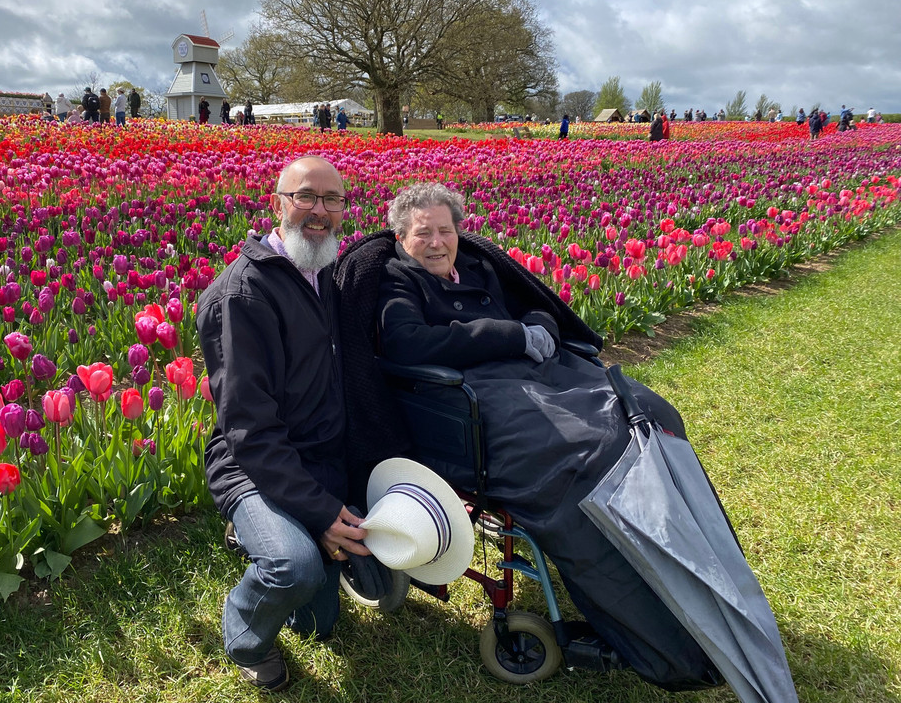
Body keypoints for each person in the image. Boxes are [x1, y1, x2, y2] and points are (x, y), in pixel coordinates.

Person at [334, 183, 721, 692]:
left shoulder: (476, 266)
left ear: (458, 232)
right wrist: (514, 336)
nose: (436, 242)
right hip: (474, 397)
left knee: (649, 414)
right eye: (422, 233)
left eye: (444, 230)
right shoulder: (396, 282)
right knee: (589, 454)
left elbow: (529, 304)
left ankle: (706, 587)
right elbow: (407, 342)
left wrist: (539, 324)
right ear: (400, 238)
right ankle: (668, 641)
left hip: (536, 378)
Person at [197, 156, 372, 692]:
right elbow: (250, 431)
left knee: (320, 625)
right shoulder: (243, 295)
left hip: (322, 457)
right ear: (278, 203)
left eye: (332, 200)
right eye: (305, 197)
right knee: (296, 568)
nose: (319, 212)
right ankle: (244, 636)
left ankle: (273, 539)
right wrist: (319, 511)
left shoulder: (326, 275)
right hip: (253, 463)